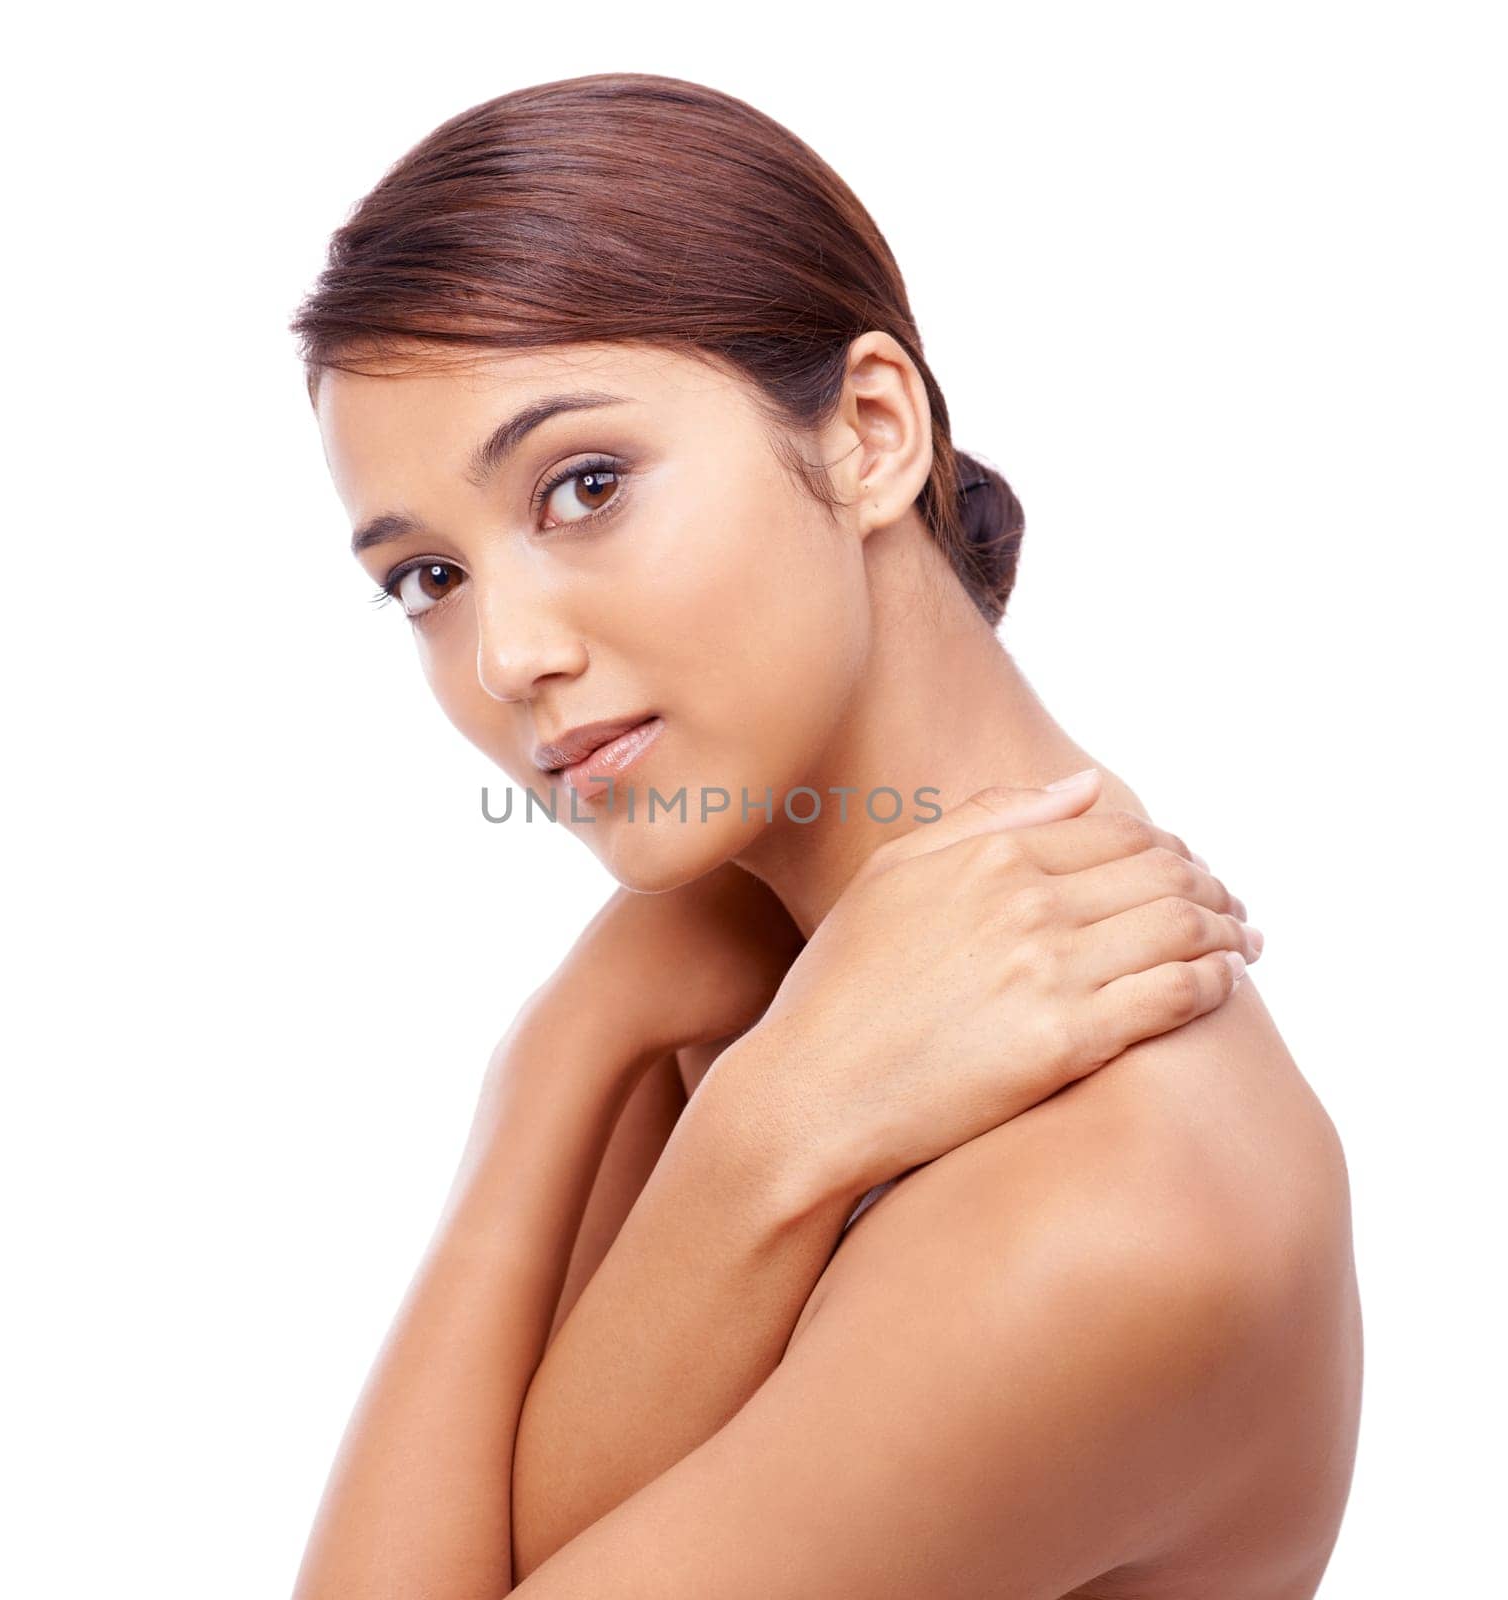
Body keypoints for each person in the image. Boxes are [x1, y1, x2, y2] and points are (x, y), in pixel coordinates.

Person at [287, 71, 1361, 1599]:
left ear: (869, 431)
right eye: (427, 580)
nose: (507, 654)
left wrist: (758, 1137)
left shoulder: (1116, 1209)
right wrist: (569, 1051)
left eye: (584, 484)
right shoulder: (725, 995)